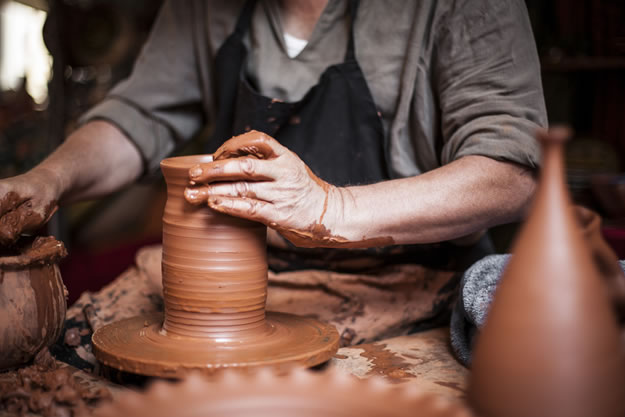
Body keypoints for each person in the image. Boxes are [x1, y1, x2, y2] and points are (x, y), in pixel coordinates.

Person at [0, 0, 546, 340]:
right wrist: (49, 180)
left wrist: (329, 208)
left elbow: (512, 171)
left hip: (417, 275)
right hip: (241, 277)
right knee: (72, 349)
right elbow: (140, 116)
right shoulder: (203, 8)